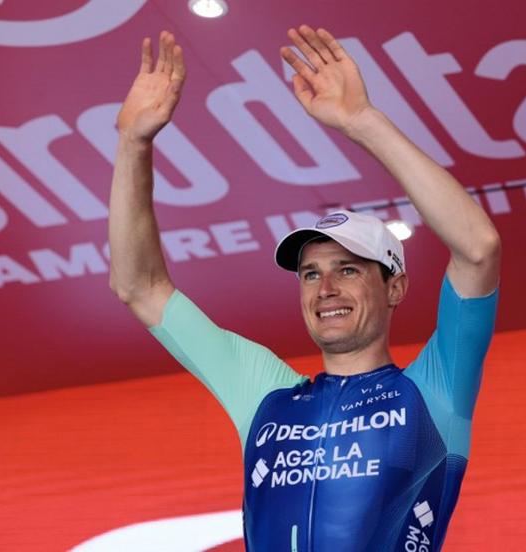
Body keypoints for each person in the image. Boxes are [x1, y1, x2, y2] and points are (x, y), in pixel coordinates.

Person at [110, 25, 500, 551]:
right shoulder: (265, 394)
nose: (326, 288)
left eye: (349, 269)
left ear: (395, 288)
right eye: (311, 273)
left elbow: (478, 248)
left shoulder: (435, 391)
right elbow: (140, 287)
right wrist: (133, 143)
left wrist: (363, 122)